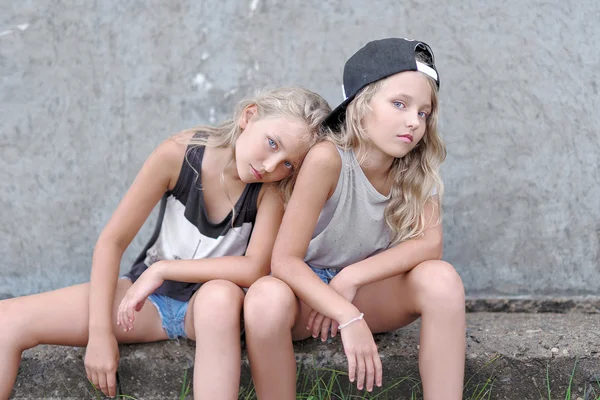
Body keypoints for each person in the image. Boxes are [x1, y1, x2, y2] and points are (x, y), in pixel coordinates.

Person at [0, 86, 331, 400]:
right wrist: (100, 333)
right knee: (8, 320)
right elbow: (112, 241)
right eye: (272, 143)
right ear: (249, 117)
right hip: (150, 302)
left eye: (288, 163)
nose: (271, 166)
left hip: (211, 312)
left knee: (219, 296)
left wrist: (164, 269)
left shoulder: (271, 189)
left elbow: (255, 268)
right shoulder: (179, 155)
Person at [243, 38, 466, 400]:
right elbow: (283, 261)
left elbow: (430, 244)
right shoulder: (328, 159)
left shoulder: (416, 167)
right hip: (309, 299)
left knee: (442, 280)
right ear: (360, 106)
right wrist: (344, 313)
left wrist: (351, 279)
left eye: (423, 113)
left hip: (365, 290)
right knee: (264, 300)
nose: (414, 122)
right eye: (399, 104)